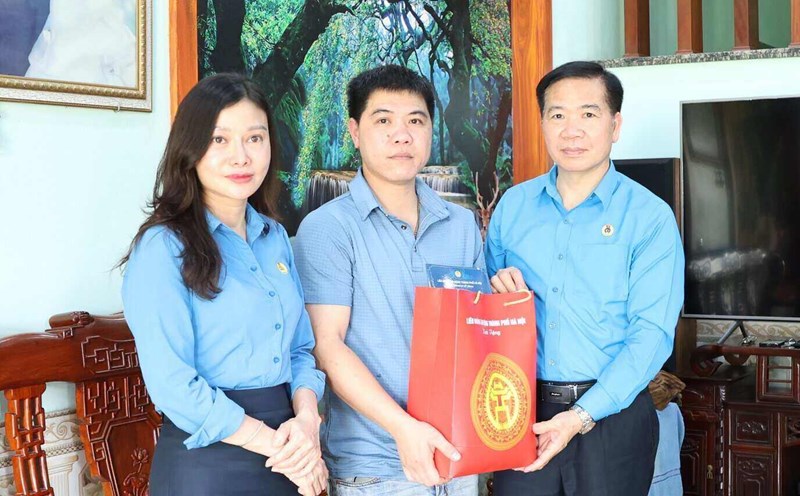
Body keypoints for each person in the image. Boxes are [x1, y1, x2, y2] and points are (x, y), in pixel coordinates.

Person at [120, 73, 326, 496]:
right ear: (190, 149)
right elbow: (173, 383)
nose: (241, 156)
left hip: (288, 446)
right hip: (209, 460)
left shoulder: (275, 239)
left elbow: (301, 349)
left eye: (255, 138)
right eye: (219, 140)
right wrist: (281, 448)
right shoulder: (162, 248)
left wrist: (306, 424)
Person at [486, 61, 684, 495]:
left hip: (613, 416)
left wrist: (579, 416)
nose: (571, 130)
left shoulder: (649, 217)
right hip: (521, 413)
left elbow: (651, 335)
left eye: (588, 114)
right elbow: (483, 315)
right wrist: (494, 301)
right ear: (542, 123)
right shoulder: (512, 208)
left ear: (615, 125)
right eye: (557, 115)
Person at [293, 64, 484, 496]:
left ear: (431, 130)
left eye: (415, 121)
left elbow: (474, 334)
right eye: (384, 121)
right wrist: (404, 429)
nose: (402, 135)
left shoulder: (462, 224)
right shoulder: (327, 229)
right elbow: (327, 345)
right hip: (377, 467)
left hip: (458, 458)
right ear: (355, 131)